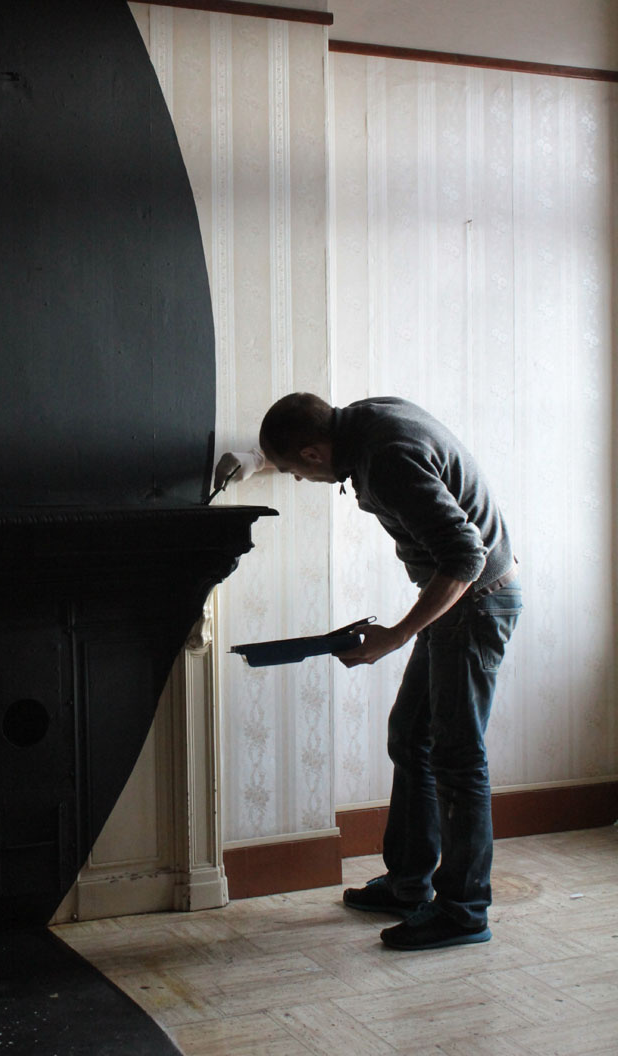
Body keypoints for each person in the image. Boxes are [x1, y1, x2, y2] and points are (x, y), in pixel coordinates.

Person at [216, 393, 522, 951]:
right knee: (411, 736)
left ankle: (464, 911)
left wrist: (396, 637)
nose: (302, 480)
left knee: (458, 758)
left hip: (475, 602)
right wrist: (260, 460)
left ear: (312, 451)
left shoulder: (386, 458)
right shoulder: (363, 422)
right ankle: (409, 885)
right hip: (458, 603)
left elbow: (466, 556)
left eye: (295, 472)